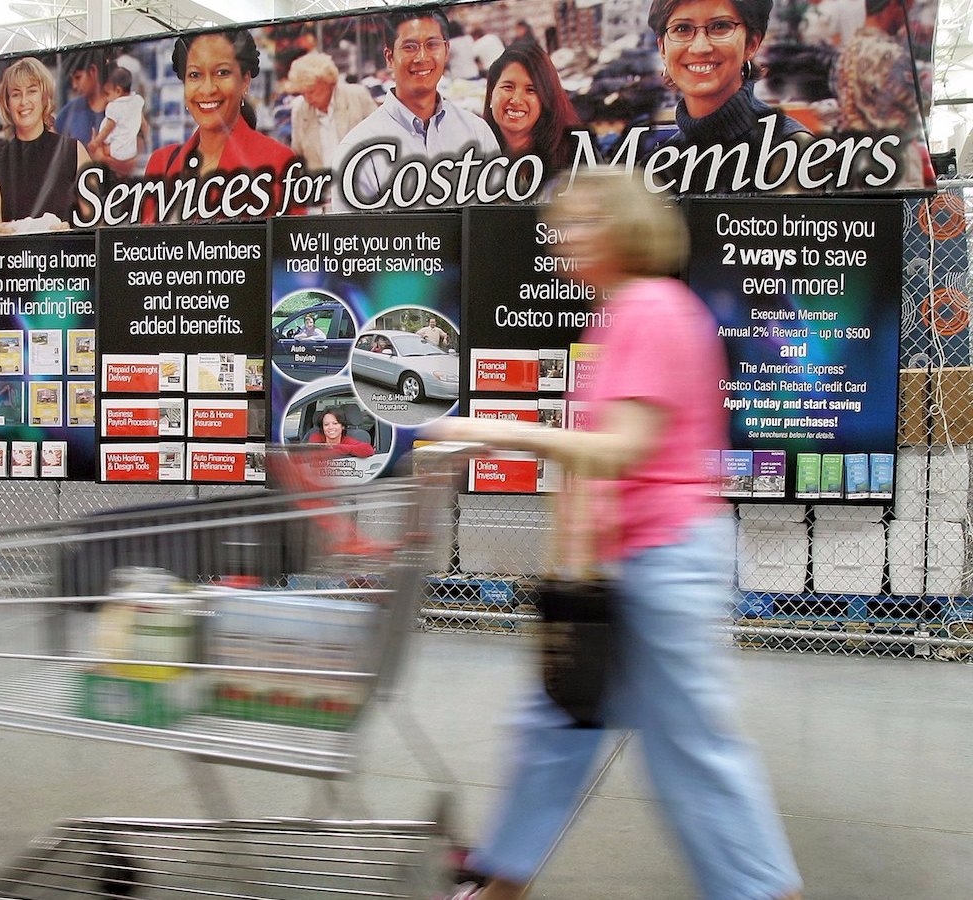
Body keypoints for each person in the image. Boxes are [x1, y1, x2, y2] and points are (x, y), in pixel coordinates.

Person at [430, 168, 803, 900]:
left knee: (689, 748)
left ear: (625, 227)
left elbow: (621, 450)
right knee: (558, 723)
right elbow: (600, 467)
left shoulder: (650, 309)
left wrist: (491, 429)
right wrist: (571, 567)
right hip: (629, 563)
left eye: (583, 222)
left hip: (665, 563)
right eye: (562, 226)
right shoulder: (620, 315)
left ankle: (763, 892)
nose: (564, 239)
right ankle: (502, 882)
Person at [331, 9, 500, 213]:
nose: (422, 57)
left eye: (432, 44)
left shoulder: (477, 133)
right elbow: (351, 232)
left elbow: (494, 220)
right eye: (409, 47)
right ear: (389, 57)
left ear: (446, 50)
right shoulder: (358, 150)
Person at [647, 0, 810, 194]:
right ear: (663, 48)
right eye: (682, 29)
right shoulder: (655, 168)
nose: (700, 47)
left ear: (751, 44)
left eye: (720, 26)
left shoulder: (791, 148)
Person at [141, 29, 301, 223]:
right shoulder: (160, 163)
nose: (208, 89)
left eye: (222, 73)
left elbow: (292, 241)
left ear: (244, 81)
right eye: (194, 75)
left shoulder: (279, 162)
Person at [0, 57, 90, 231]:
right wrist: (1, 233)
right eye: (16, 94)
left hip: (66, 248)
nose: (24, 101)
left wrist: (71, 230)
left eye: (32, 91)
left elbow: (96, 222)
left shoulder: (74, 151)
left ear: (45, 97)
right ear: (7, 103)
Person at [831, 0, 924, 188]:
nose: (906, 18)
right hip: (895, 163)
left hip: (857, 161)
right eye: (906, 9)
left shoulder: (846, 51)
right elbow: (917, 108)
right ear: (892, 5)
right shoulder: (889, 53)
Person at [483, 41, 581, 189]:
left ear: (546, 98)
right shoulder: (473, 152)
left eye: (531, 90)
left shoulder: (576, 154)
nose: (516, 100)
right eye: (508, 87)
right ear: (491, 93)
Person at [286, 51, 377, 171]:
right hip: (321, 180)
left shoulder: (357, 96)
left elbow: (380, 138)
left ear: (328, 82)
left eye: (311, 91)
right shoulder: (300, 111)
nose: (307, 98)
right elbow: (298, 156)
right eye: (303, 93)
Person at [88, 66, 149, 172]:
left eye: (107, 94)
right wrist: (148, 138)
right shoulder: (136, 101)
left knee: (104, 150)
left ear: (118, 91)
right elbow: (144, 124)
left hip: (117, 151)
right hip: (131, 149)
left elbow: (107, 129)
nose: (106, 99)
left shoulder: (114, 107)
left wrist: (96, 143)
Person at [55, 47, 112, 146]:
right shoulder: (71, 109)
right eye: (72, 79)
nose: (74, 85)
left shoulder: (120, 106)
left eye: (78, 77)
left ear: (92, 71)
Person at [306, 410, 374, 458]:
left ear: (342, 426)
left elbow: (368, 450)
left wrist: (339, 448)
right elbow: (314, 454)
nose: (331, 427)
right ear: (322, 428)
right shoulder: (316, 437)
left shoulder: (346, 440)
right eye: (326, 424)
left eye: (335, 423)